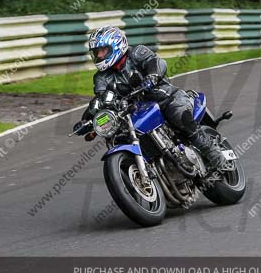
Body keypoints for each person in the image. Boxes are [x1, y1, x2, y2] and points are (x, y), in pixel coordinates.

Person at [73, 26, 226, 169]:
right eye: (96, 52)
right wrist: (87, 119)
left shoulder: (136, 53)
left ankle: (215, 154)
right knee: (120, 134)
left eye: (103, 51)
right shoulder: (101, 77)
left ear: (116, 45)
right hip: (135, 110)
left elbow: (156, 62)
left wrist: (152, 76)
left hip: (165, 97)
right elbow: (101, 99)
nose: (99, 56)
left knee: (178, 115)